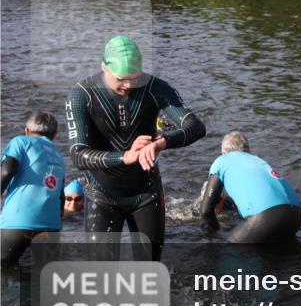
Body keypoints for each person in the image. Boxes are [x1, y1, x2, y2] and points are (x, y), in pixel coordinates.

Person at [66, 36, 206, 261]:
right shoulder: (82, 94)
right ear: (104, 69)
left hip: (146, 195)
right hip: (101, 196)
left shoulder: (156, 88)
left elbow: (196, 127)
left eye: (135, 78)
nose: (129, 86)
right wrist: (125, 157)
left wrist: (162, 142)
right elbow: (78, 154)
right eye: (121, 79)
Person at [200, 131, 301, 243]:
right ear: (247, 150)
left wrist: (217, 231)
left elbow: (206, 211)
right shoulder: (257, 160)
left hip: (269, 217)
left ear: (223, 151)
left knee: (229, 249)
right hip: (297, 215)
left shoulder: (221, 161)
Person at [1, 112, 66, 268]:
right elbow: (60, 194)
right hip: (51, 226)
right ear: (54, 135)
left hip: (18, 222)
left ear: (27, 131)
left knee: (4, 271)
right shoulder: (59, 154)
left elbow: (6, 171)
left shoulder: (21, 142)